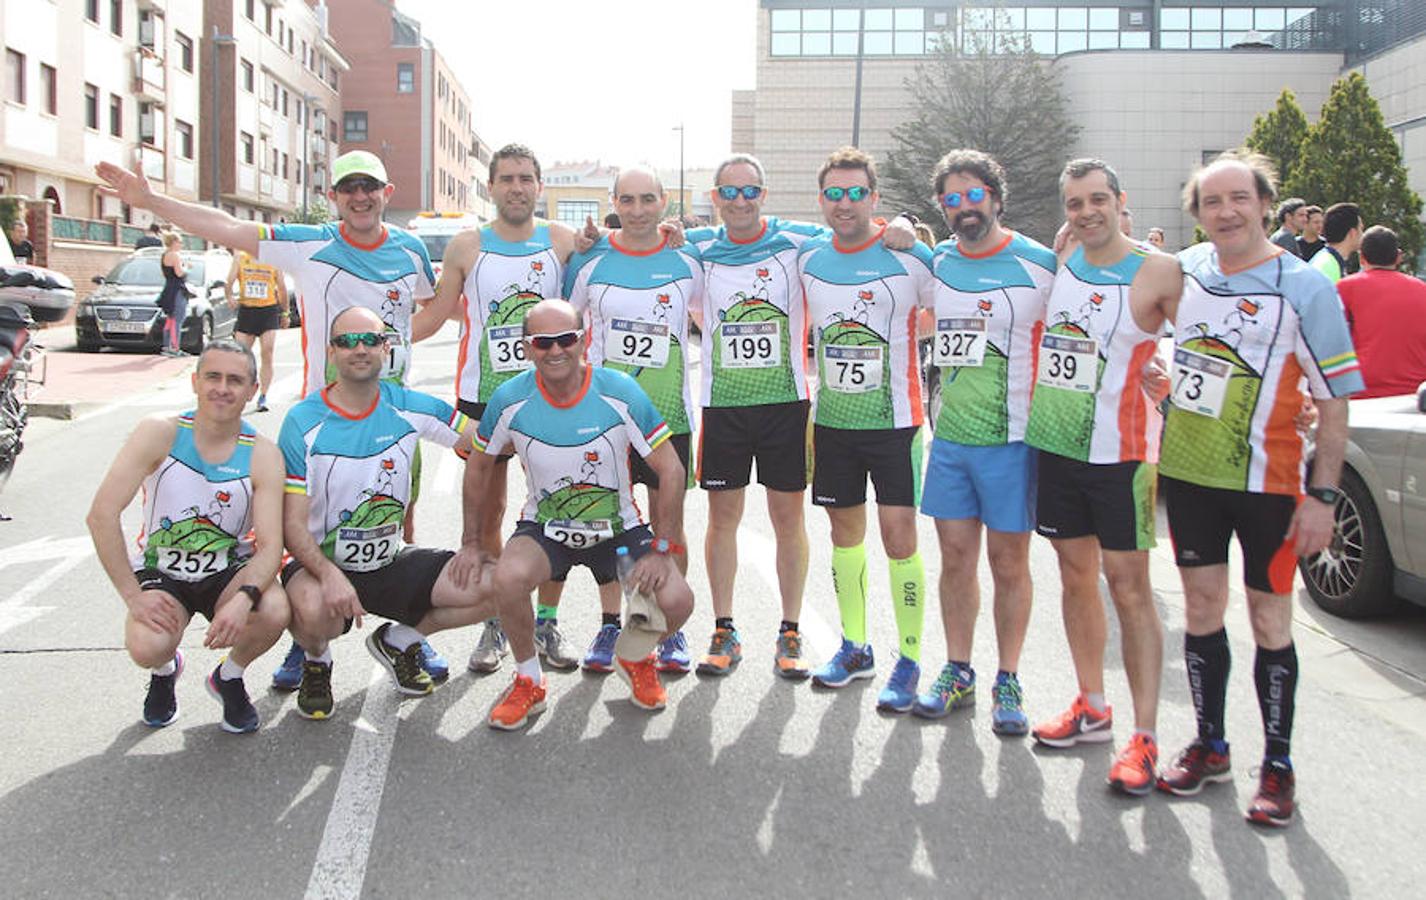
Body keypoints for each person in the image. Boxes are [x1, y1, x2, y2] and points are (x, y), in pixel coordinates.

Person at [96, 149, 453, 682]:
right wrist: (151, 201)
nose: (360, 196)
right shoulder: (310, 245)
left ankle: (404, 638)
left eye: (369, 186)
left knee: (394, 518)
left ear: (388, 192)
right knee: (302, 530)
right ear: (333, 197)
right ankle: (308, 642)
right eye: (348, 187)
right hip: (324, 415)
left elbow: (431, 305)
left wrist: (394, 344)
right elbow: (229, 225)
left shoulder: (411, 249)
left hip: (395, 414)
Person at [1156, 150, 1363, 828]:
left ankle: (1277, 763)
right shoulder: (1181, 274)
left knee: (1269, 618)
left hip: (1270, 485)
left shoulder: (1306, 287)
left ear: (1266, 204)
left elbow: (1333, 404)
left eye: (1239, 198)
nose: (1226, 212)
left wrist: (1324, 497)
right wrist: (1158, 385)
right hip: (1188, 478)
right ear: (1197, 215)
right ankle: (1209, 743)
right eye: (1212, 202)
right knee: (1201, 608)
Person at [685, 153, 916, 680]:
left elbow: (853, 226)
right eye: (729, 191)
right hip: (723, 408)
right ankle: (724, 628)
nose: (740, 200)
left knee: (788, 521)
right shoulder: (700, 251)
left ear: (764, 196)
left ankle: (790, 632)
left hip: (786, 407)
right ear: (716, 198)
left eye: (750, 191)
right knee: (723, 522)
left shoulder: (796, 242)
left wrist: (897, 224)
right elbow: (651, 241)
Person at [1024, 158, 1181, 796]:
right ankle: (1092, 704)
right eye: (1074, 203)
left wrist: (1167, 376)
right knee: (1073, 577)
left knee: (1130, 590)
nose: (1086, 212)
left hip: (1124, 456)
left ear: (1121, 201)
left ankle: (1144, 736)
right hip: (1057, 449)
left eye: (1096, 200)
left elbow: (1196, 338)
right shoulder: (1065, 260)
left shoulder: (1159, 269)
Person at [469, 299, 694, 728]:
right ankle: (529, 680)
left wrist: (662, 547)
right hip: (547, 528)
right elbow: (479, 465)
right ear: (527, 348)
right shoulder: (509, 398)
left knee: (677, 599)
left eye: (566, 339)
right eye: (543, 342)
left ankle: (635, 657)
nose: (556, 350)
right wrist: (469, 542)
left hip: (618, 531)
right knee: (508, 578)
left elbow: (672, 468)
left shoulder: (619, 390)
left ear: (584, 340)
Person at [416, 144, 593, 676]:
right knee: (489, 513)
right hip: (485, 398)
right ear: (490, 187)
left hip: (549, 394)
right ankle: (496, 618)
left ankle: (545, 619)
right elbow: (438, 313)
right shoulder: (467, 246)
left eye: (526, 178)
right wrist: (376, 340)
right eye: (507, 178)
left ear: (539, 186)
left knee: (558, 510)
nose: (517, 187)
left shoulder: (561, 242)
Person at [277, 306, 496, 720]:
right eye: (346, 341)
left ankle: (399, 641)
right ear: (331, 352)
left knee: (500, 585)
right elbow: (291, 525)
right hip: (321, 566)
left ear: (386, 348)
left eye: (370, 340)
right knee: (309, 611)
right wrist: (329, 575)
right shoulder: (302, 422)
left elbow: (483, 438)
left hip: (388, 559)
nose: (359, 349)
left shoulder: (409, 406)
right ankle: (317, 662)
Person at [912, 149, 1055, 735]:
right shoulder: (937, 262)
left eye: (975, 196)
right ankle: (959, 670)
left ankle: (1010, 677)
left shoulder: (1040, 264)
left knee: (1009, 563)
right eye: (952, 198)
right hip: (949, 442)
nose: (965, 207)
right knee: (955, 560)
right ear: (942, 207)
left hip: (1013, 442)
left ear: (996, 197)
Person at [86, 340, 289, 733]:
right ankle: (165, 669)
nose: (222, 388)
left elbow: (270, 546)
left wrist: (244, 600)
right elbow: (101, 515)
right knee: (147, 645)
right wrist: (133, 596)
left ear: (251, 390)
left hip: (227, 571)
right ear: (195, 382)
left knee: (275, 610)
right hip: (163, 571)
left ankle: (228, 677)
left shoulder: (263, 453)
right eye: (213, 376)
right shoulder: (158, 433)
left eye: (235, 380)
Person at [797, 147, 934, 710]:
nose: (845, 202)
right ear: (822, 200)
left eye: (857, 192)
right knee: (844, 537)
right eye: (835, 193)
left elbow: (950, 309)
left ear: (875, 198)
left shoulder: (909, 255)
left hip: (897, 425)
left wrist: (908, 227)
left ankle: (909, 658)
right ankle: (856, 646)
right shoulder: (807, 257)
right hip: (833, 424)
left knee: (900, 540)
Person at [562, 165, 703, 675]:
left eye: (649, 199)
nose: (639, 209)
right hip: (605, 422)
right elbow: (562, 324)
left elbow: (717, 310)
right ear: (614, 202)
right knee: (609, 527)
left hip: (668, 421)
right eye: (629, 199)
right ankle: (609, 624)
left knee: (671, 528)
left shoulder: (689, 258)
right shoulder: (590, 259)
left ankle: (669, 632)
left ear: (665, 202)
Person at [1336, 225, 1426, 398]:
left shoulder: (1344, 289)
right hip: (1416, 395)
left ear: (1362, 257)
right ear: (1398, 257)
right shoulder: (1423, 290)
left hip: (1360, 394)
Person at [224, 250, 289, 412]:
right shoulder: (241, 257)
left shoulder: (274, 258)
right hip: (247, 310)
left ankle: (263, 395)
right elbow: (229, 280)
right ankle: (242, 390)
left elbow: (281, 288)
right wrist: (229, 296)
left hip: (268, 311)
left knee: (267, 352)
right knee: (240, 355)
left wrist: (285, 312)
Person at [1309, 202, 1363, 283]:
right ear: (1352, 233)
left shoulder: (1327, 260)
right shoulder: (1327, 267)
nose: (1363, 234)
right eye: (1361, 229)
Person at [157, 231, 190, 357]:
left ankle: (166, 346)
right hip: (177, 289)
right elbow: (179, 273)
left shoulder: (164, 255)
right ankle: (174, 348)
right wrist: (187, 268)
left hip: (168, 288)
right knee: (178, 319)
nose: (181, 244)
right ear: (174, 242)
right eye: (180, 242)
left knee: (170, 318)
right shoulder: (175, 255)